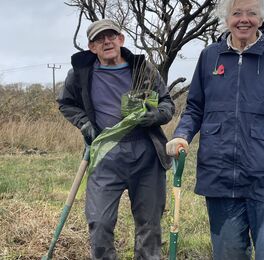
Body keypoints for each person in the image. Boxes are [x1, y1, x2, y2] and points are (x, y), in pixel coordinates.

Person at [166, 0, 264, 259]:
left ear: (261, 19)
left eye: (252, 13)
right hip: (219, 174)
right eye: (237, 13)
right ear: (226, 19)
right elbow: (195, 108)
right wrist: (182, 134)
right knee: (228, 253)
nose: (244, 19)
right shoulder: (209, 56)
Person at [57, 19, 175, 259]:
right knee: (99, 223)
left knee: (149, 225)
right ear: (91, 47)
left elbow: (167, 104)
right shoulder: (80, 73)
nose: (107, 41)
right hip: (105, 154)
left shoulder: (144, 69)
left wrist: (154, 115)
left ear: (121, 39)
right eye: (99, 39)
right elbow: (66, 103)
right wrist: (85, 124)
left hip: (146, 154)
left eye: (111, 36)